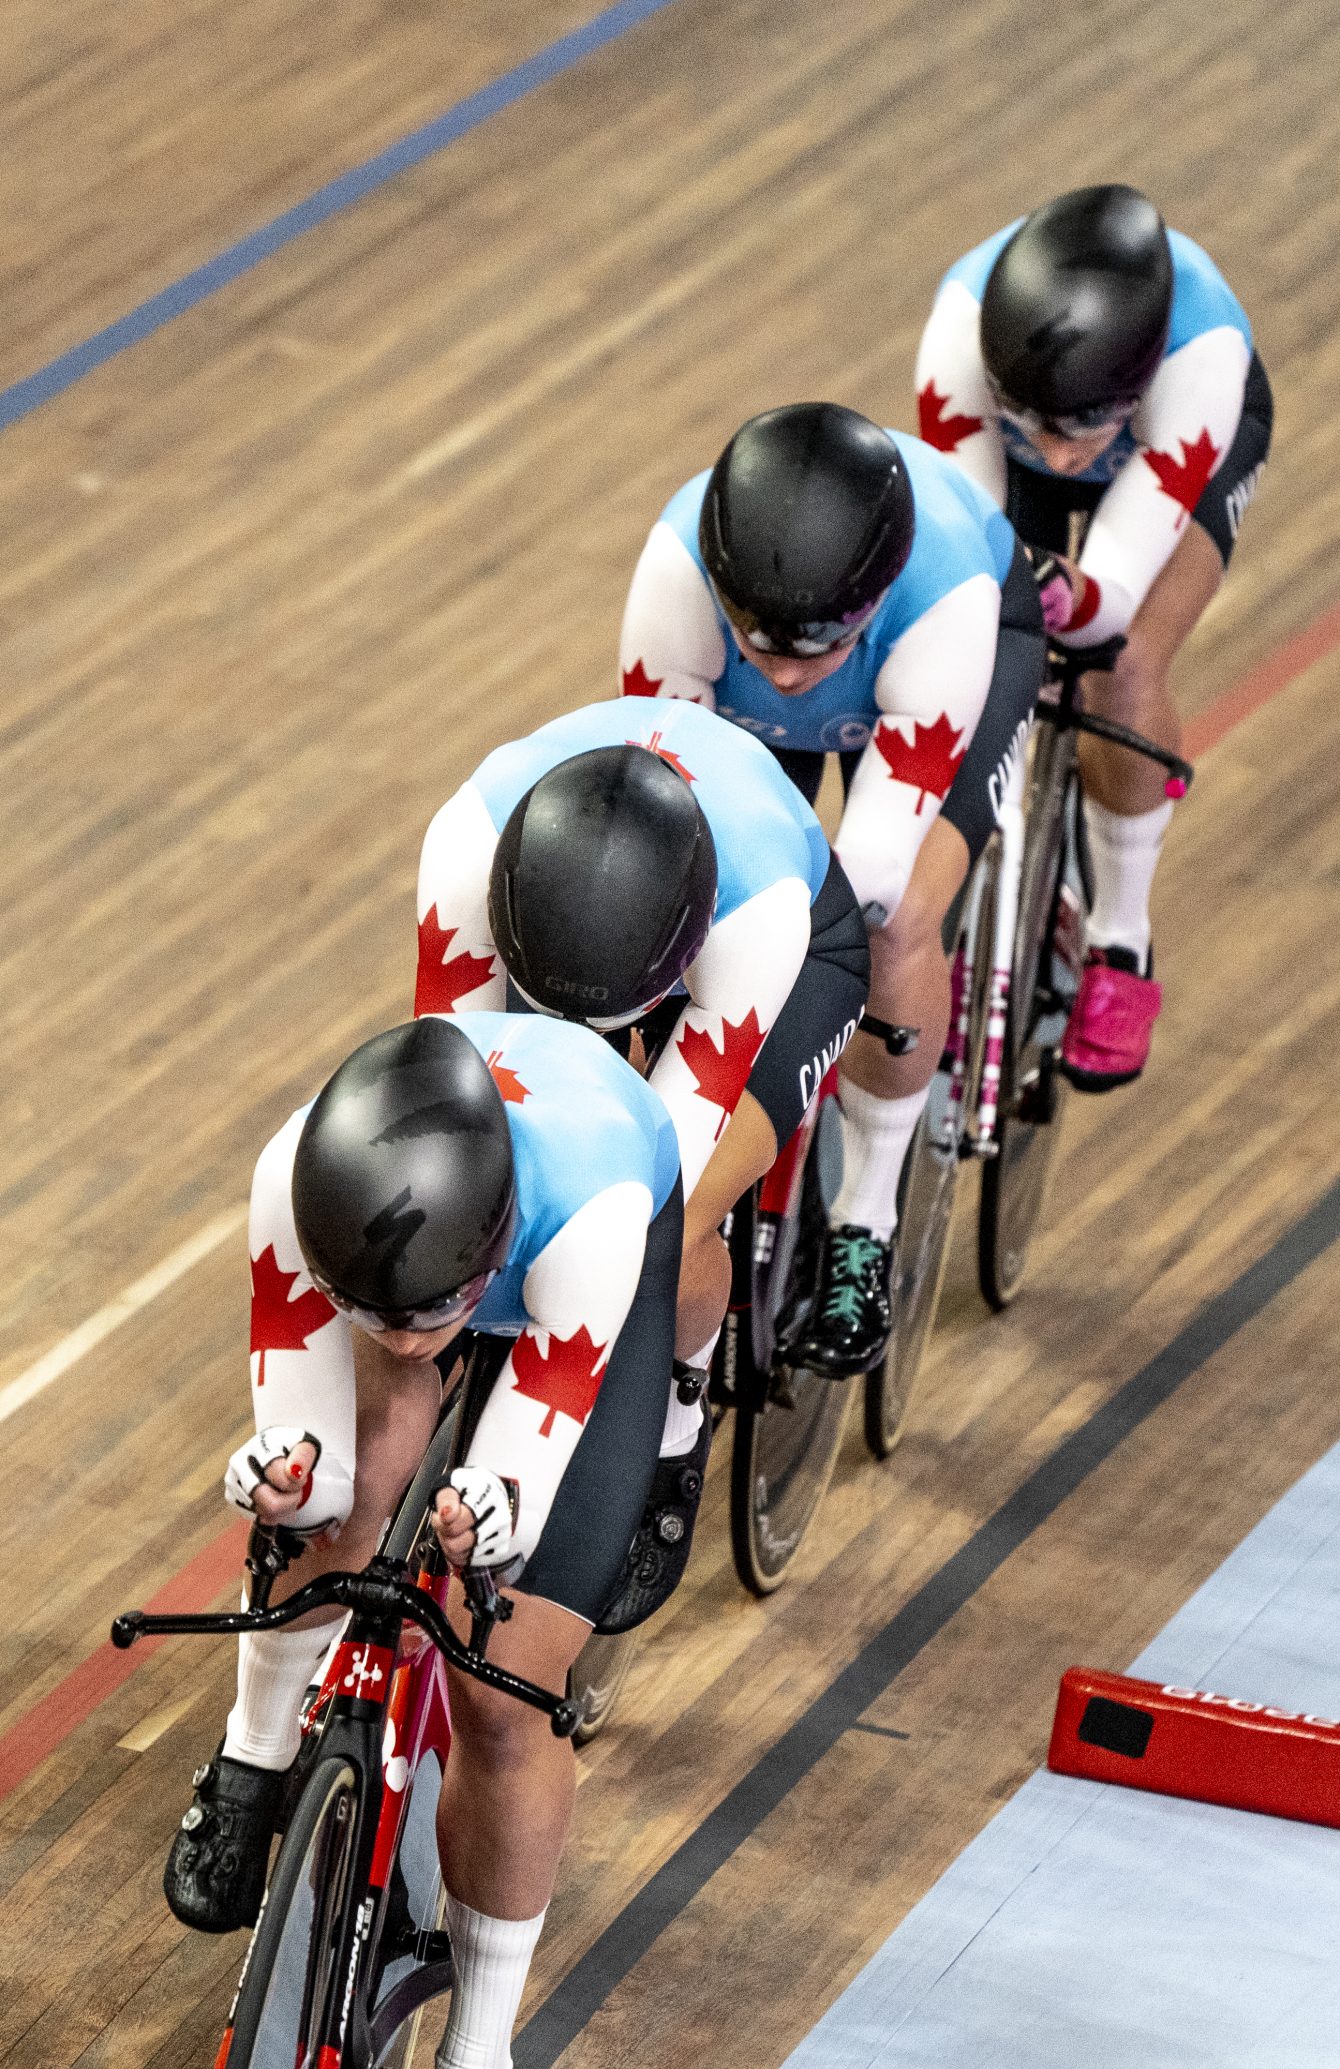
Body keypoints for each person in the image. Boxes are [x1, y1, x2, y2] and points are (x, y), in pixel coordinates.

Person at [164, 1012, 682, 2069]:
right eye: (377, 1313)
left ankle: (480, 2038)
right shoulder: (293, 1183)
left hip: (576, 1274)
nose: (404, 1339)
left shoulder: (592, 1214)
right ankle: (250, 1758)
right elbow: (307, 1451)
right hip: (422, 1249)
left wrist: (491, 1508)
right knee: (335, 1514)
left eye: (429, 1313)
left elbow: (520, 1481)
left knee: (500, 1693)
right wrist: (284, 1473)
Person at [618, 402, 1045, 1375]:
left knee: (887, 928)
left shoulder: (939, 601)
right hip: (753, 719)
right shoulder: (676, 577)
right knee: (675, 910)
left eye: (810, 649)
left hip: (935, 686)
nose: (780, 668)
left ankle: (868, 1214)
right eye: (756, 638)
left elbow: (865, 882)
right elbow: (672, 808)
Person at [915, 183, 1272, 1088]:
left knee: (1122, 662)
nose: (1060, 450)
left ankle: (1121, 939)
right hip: (1041, 446)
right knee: (979, 646)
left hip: (1174, 457)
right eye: (1033, 422)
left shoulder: (1202, 361)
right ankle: (967, 925)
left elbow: (1108, 599)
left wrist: (1070, 606)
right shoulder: (958, 338)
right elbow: (970, 546)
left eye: (1080, 428)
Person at [414, 698, 870, 1400]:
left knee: (672, 1225)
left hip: (794, 957)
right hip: (589, 934)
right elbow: (445, 1096)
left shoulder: (760, 916)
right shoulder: (467, 844)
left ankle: (678, 1425)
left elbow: (657, 1180)